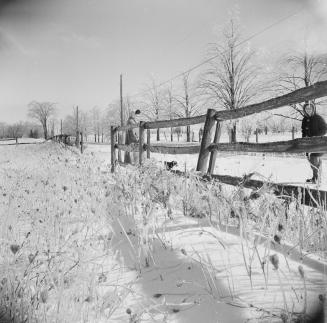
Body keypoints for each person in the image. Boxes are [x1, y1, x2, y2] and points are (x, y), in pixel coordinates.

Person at [302, 102, 327, 183]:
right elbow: (304, 131)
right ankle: (316, 178)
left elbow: (324, 129)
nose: (308, 110)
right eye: (306, 109)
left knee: (314, 158)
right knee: (313, 160)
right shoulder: (305, 119)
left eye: (310, 108)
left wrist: (315, 137)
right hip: (309, 143)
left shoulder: (318, 118)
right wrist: (304, 141)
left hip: (319, 142)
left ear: (313, 109)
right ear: (304, 110)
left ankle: (316, 178)